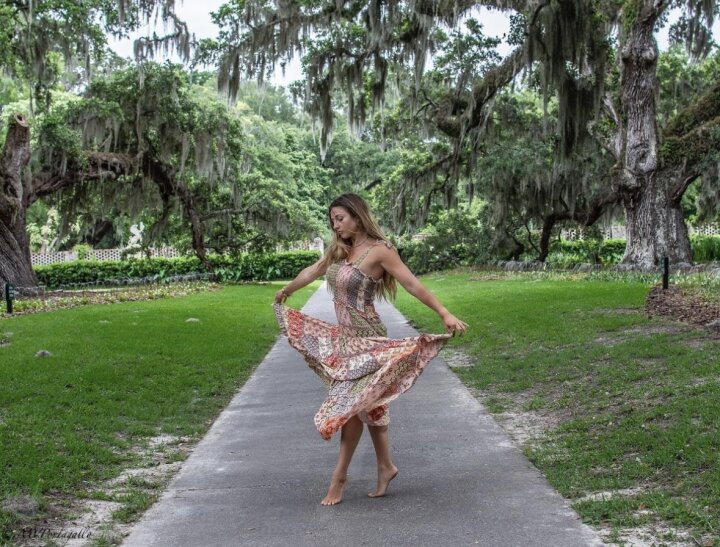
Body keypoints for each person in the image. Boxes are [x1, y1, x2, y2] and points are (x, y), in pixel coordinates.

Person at [273, 193, 468, 506]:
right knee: (369, 403)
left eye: (340, 219)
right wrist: (286, 291)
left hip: (369, 340)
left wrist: (444, 313)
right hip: (345, 340)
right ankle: (386, 467)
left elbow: (412, 284)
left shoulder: (380, 251)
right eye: (332, 221)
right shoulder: (340, 250)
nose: (336, 226)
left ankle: (339, 477)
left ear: (357, 216)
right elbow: (314, 270)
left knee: (350, 406)